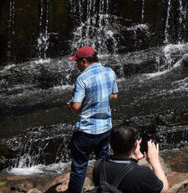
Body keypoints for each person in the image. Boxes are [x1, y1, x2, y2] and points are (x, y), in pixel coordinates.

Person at [67, 45, 118, 193]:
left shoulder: (83, 78)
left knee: (79, 167)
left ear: (84, 61)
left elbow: (76, 106)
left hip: (86, 131)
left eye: (77, 62)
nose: (76, 65)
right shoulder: (110, 72)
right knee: (103, 164)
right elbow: (114, 96)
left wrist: (70, 105)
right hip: (105, 129)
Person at [92, 122, 168, 193]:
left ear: (110, 143)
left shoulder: (99, 166)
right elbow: (164, 190)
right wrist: (155, 162)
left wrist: (134, 157)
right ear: (136, 144)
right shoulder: (143, 173)